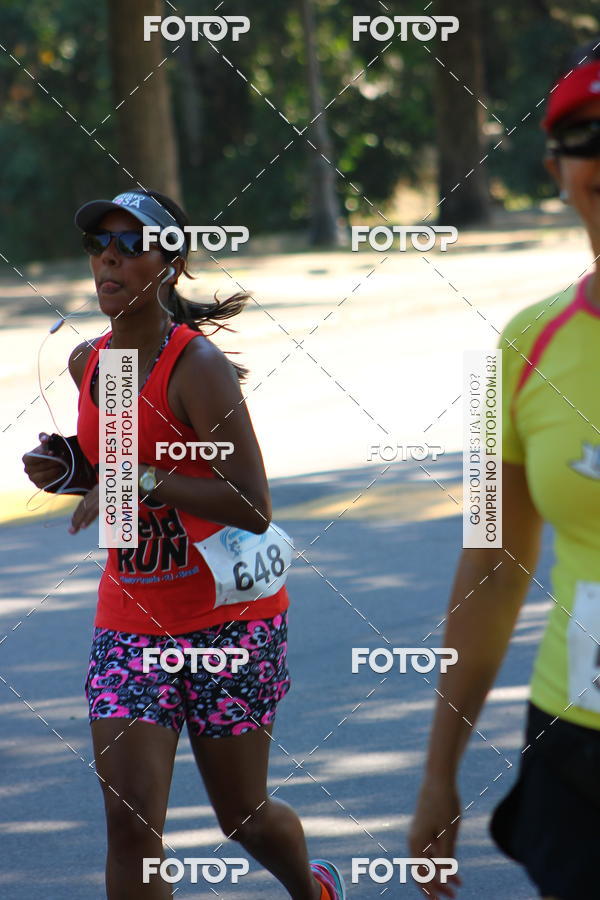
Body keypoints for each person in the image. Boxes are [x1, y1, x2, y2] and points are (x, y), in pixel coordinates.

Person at [22, 188, 346, 900]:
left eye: (129, 243)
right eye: (99, 243)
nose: (108, 255)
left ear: (168, 265)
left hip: (229, 624)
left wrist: (135, 477)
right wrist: (75, 473)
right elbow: (113, 476)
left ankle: (312, 890)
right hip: (131, 621)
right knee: (130, 826)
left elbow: (251, 504)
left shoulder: (196, 367)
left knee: (244, 816)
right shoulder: (89, 363)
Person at [408, 39, 600, 900]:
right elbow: (489, 570)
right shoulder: (515, 351)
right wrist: (438, 773)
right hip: (578, 748)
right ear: (556, 167)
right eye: (587, 135)